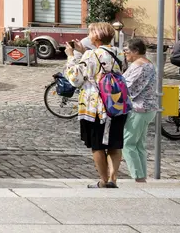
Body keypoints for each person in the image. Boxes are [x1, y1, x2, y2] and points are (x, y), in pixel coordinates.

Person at [64, 22, 125, 189]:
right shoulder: (119, 52)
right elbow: (104, 61)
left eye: (90, 33)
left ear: (96, 36)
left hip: (95, 106)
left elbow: (75, 79)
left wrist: (71, 56)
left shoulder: (90, 55)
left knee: (97, 145)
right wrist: (83, 52)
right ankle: (113, 179)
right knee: (114, 143)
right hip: (116, 103)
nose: (88, 36)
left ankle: (103, 181)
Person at [122, 38, 159, 183]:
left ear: (136, 51)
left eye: (127, 51)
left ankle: (138, 176)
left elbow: (129, 87)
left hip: (139, 108)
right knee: (138, 144)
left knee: (128, 143)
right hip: (147, 108)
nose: (125, 53)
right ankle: (141, 176)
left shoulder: (140, 66)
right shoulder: (147, 64)